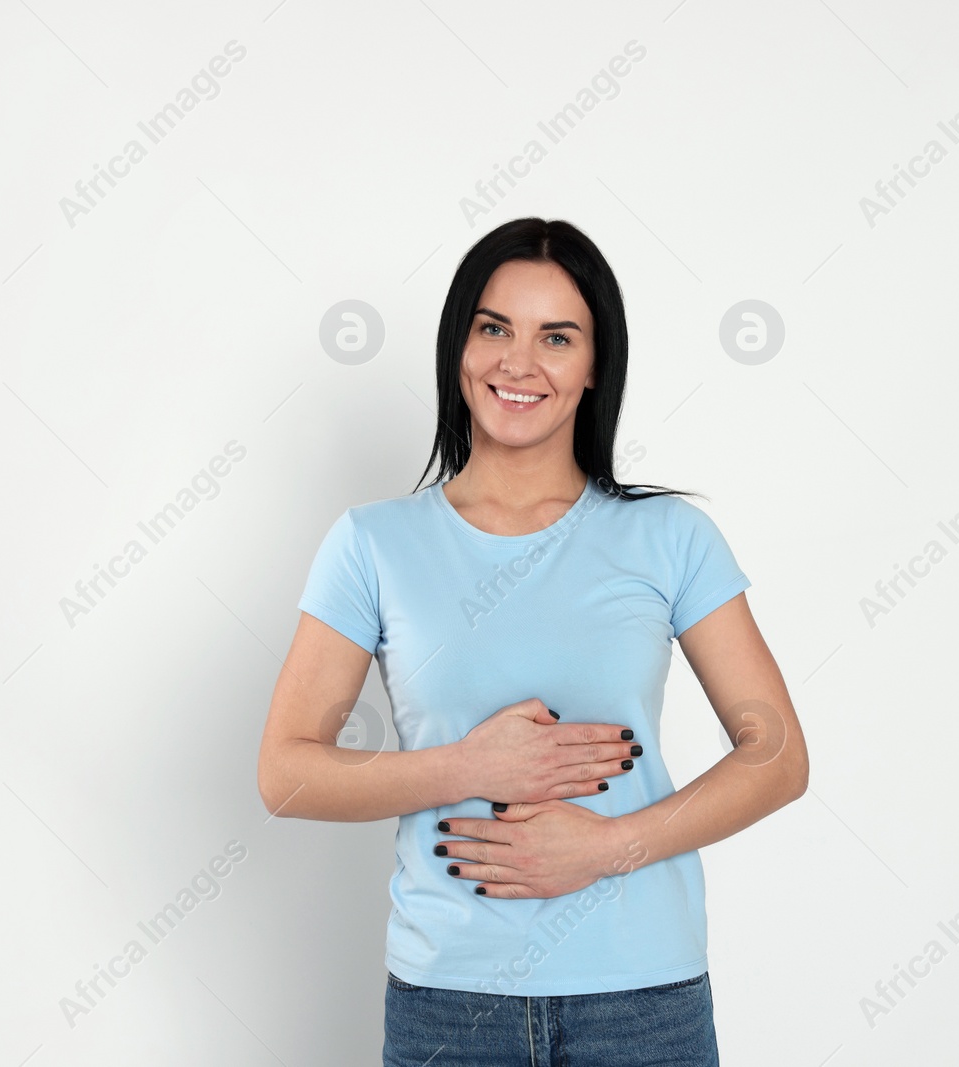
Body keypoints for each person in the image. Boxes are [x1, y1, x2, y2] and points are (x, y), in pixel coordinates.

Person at [256, 217, 808, 1066]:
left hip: (642, 1004)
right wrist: (471, 767)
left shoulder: (669, 538)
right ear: (459, 347)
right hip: (450, 1008)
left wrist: (607, 847)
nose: (519, 362)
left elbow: (776, 754)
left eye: (557, 336)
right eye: (494, 327)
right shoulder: (372, 543)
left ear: (594, 368)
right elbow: (286, 773)